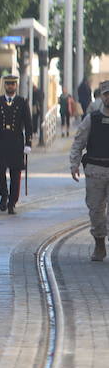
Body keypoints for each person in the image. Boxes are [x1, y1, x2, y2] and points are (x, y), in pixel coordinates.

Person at [70, 80, 109, 261]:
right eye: (106, 94)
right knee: (95, 210)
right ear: (102, 96)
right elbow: (79, 142)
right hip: (96, 171)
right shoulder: (91, 119)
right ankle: (99, 244)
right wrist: (74, 163)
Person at [0, 72, 33, 214]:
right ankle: (4, 195)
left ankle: (12, 201)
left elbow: (28, 123)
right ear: (5, 85)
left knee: (15, 174)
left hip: (16, 142)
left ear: (16, 85)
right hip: (1, 141)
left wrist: (28, 143)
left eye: (12, 84)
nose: (10, 86)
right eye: (8, 84)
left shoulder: (21, 102)